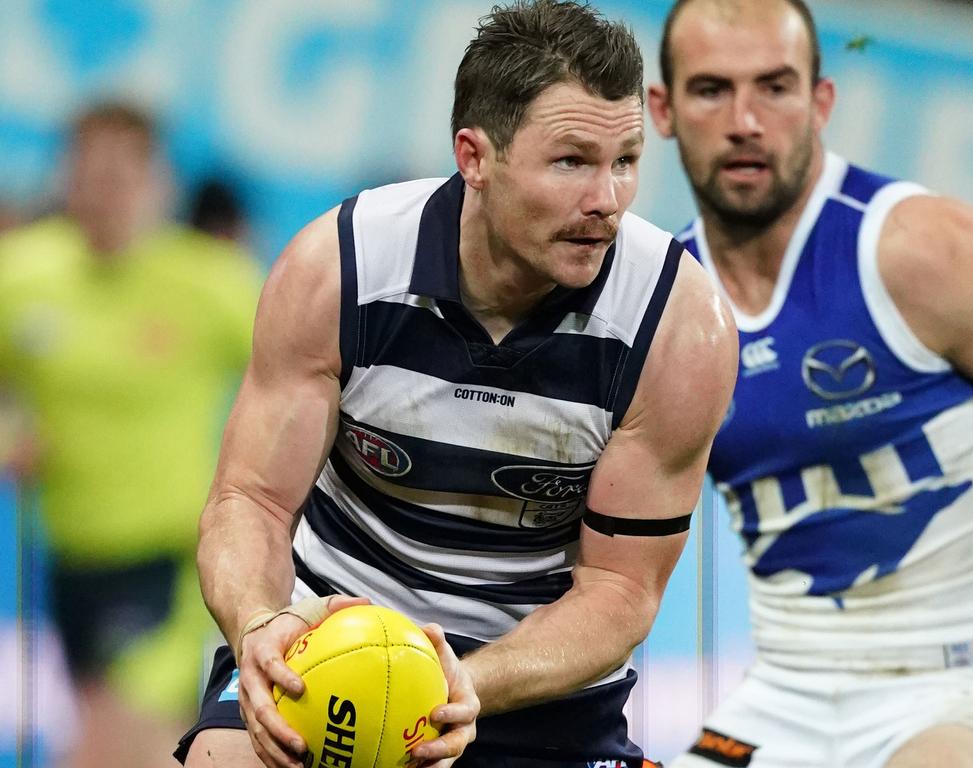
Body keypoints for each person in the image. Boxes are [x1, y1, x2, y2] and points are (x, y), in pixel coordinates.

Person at [174, 2, 737, 767]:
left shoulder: (677, 327)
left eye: (626, 160)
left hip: (535, 685)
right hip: (328, 642)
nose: (607, 199)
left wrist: (461, 684)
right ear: (475, 157)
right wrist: (258, 624)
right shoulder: (338, 271)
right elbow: (251, 502)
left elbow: (619, 594)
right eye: (572, 161)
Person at [648, 1, 973, 766]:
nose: (745, 120)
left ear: (821, 103)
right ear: (662, 109)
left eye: (775, 88)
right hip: (784, 694)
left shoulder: (922, 251)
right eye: (712, 89)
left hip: (972, 680)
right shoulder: (658, 309)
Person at [0, 101, 263, 768]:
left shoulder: (210, 282)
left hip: (165, 563)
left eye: (123, 175)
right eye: (89, 173)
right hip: (63, 560)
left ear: (159, 183)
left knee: (109, 746)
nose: (105, 192)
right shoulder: (23, 274)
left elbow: (305, 375)